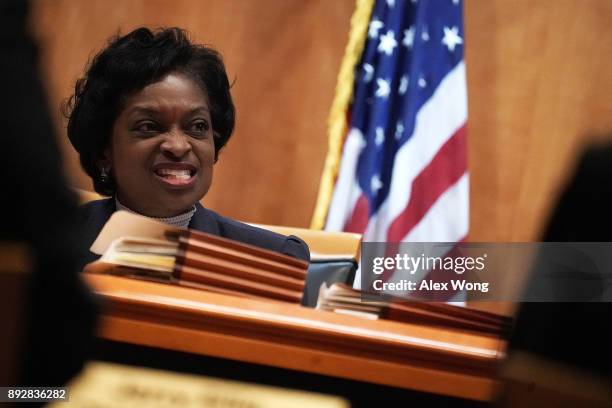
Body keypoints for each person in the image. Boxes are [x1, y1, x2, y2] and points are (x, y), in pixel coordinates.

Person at [65, 27, 309, 268]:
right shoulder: (53, 241)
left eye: (197, 126)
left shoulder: (273, 259)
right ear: (103, 150)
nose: (178, 146)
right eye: (149, 127)